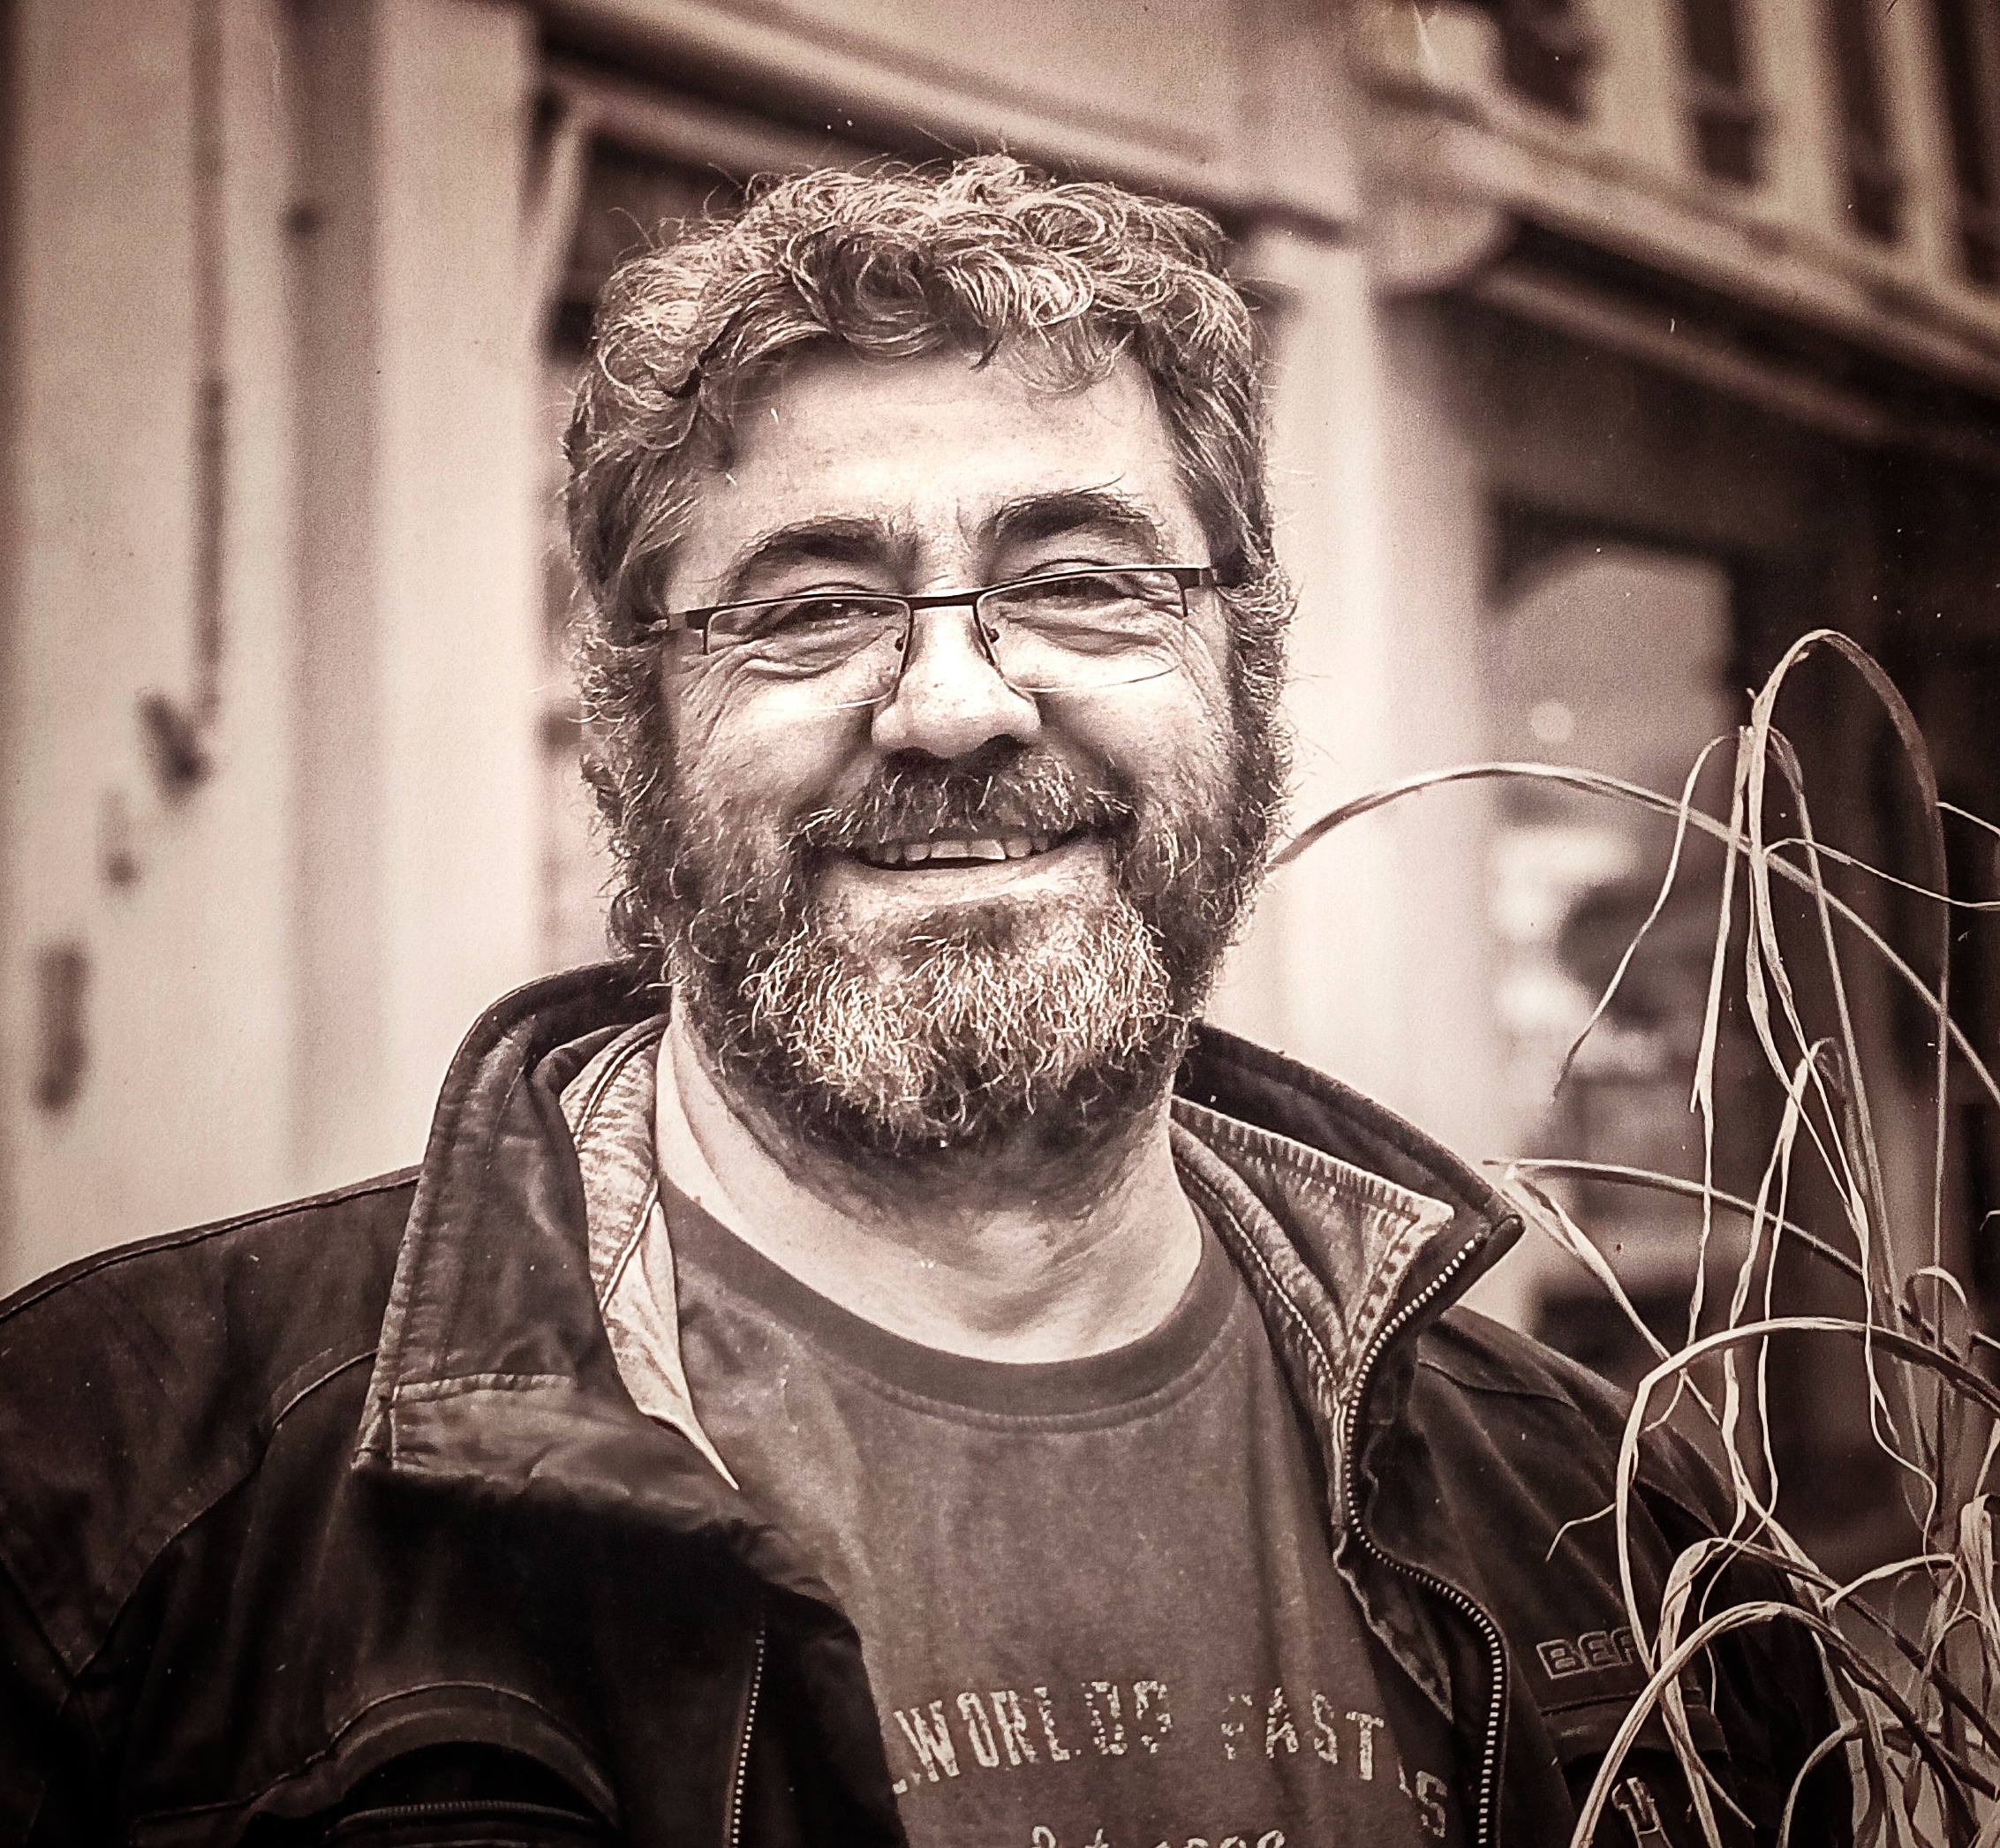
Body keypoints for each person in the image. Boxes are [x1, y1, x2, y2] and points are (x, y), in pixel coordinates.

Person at [0, 158, 1839, 1848]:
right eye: (810, 607)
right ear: (628, 735)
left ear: (1244, 679)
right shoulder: (113, 1501)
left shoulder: (1613, 1524)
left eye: (1080, 583)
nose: (953, 705)